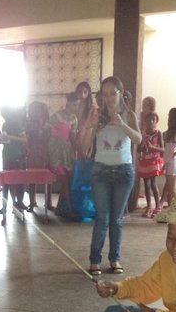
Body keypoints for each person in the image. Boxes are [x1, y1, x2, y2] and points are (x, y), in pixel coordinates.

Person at [85, 76, 142, 276]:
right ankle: (95, 260)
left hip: (123, 171)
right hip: (100, 171)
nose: (109, 97)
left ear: (120, 92)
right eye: (105, 93)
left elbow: (138, 139)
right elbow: (83, 148)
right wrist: (91, 125)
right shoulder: (97, 116)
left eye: (113, 93)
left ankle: (115, 258)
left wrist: (121, 124)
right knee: (102, 217)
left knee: (116, 219)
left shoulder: (129, 115)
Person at [48, 92, 79, 215]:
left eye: (78, 105)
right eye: (75, 104)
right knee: (64, 179)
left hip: (67, 151)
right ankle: (70, 208)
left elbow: (73, 137)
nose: (76, 107)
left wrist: (77, 150)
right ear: (69, 103)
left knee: (66, 180)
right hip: (55, 150)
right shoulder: (56, 116)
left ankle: (60, 207)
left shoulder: (74, 119)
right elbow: (47, 133)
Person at [0, 105, 27, 213]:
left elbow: (24, 140)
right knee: (6, 181)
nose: (2, 114)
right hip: (6, 155)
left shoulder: (18, 123)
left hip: (17, 155)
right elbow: (5, 139)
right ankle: (5, 205)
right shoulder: (4, 125)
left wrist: (10, 137)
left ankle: (19, 202)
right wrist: (1, 139)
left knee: (19, 181)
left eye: (4, 112)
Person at [136, 111, 164, 217]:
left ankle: (157, 207)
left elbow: (163, 149)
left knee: (153, 183)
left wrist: (153, 147)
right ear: (145, 121)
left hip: (154, 161)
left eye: (153, 120)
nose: (151, 121)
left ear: (156, 122)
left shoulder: (158, 133)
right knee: (146, 185)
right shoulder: (143, 134)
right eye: (149, 119)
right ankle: (149, 206)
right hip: (145, 161)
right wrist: (143, 147)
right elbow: (139, 148)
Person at [25, 101, 51, 211]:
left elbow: (51, 140)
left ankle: (48, 202)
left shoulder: (49, 125)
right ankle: (32, 202)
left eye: (37, 110)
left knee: (48, 177)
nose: (35, 113)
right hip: (34, 152)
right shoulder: (30, 125)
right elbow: (28, 140)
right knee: (32, 177)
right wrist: (28, 150)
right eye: (32, 111)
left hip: (47, 152)